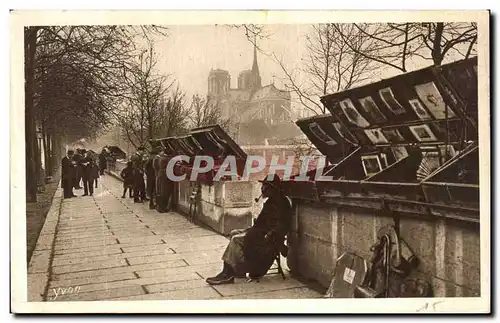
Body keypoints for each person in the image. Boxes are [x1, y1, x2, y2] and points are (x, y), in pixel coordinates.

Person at [205, 174, 292, 285]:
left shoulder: (281, 204)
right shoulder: (272, 201)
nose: (262, 188)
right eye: (263, 185)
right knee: (233, 233)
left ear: (272, 188)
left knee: (236, 239)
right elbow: (263, 222)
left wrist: (259, 232)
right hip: (261, 232)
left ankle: (227, 274)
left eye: (265, 186)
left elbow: (279, 228)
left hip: (267, 239)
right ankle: (239, 270)